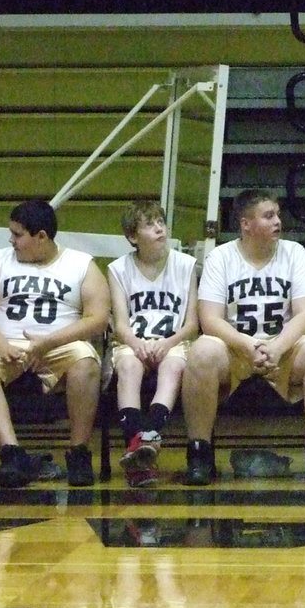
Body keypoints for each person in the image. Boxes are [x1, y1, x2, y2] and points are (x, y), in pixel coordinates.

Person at [181, 188, 305, 486]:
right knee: (202, 350)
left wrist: (277, 347)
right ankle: (199, 452)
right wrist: (248, 344)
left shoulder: (295, 253)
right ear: (245, 224)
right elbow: (210, 318)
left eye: (278, 214)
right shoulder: (221, 257)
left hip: (283, 347)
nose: (278, 221)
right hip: (236, 349)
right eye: (269, 216)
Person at [0, 198, 110, 488]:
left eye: (18, 234)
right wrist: (0, 344)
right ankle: (12, 453)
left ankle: (79, 452)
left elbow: (98, 319)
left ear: (41, 236)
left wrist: (48, 343)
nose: (11, 240)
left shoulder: (81, 265)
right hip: (5, 344)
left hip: (59, 343)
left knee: (86, 361)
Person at [107, 199, 199, 488]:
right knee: (128, 367)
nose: (160, 228)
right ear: (133, 237)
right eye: (150, 224)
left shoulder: (186, 265)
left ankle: (148, 434)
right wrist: (136, 343)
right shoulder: (118, 269)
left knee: (172, 366)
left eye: (161, 222)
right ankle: (138, 444)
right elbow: (120, 324)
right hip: (134, 342)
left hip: (174, 341)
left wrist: (167, 342)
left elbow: (192, 324)